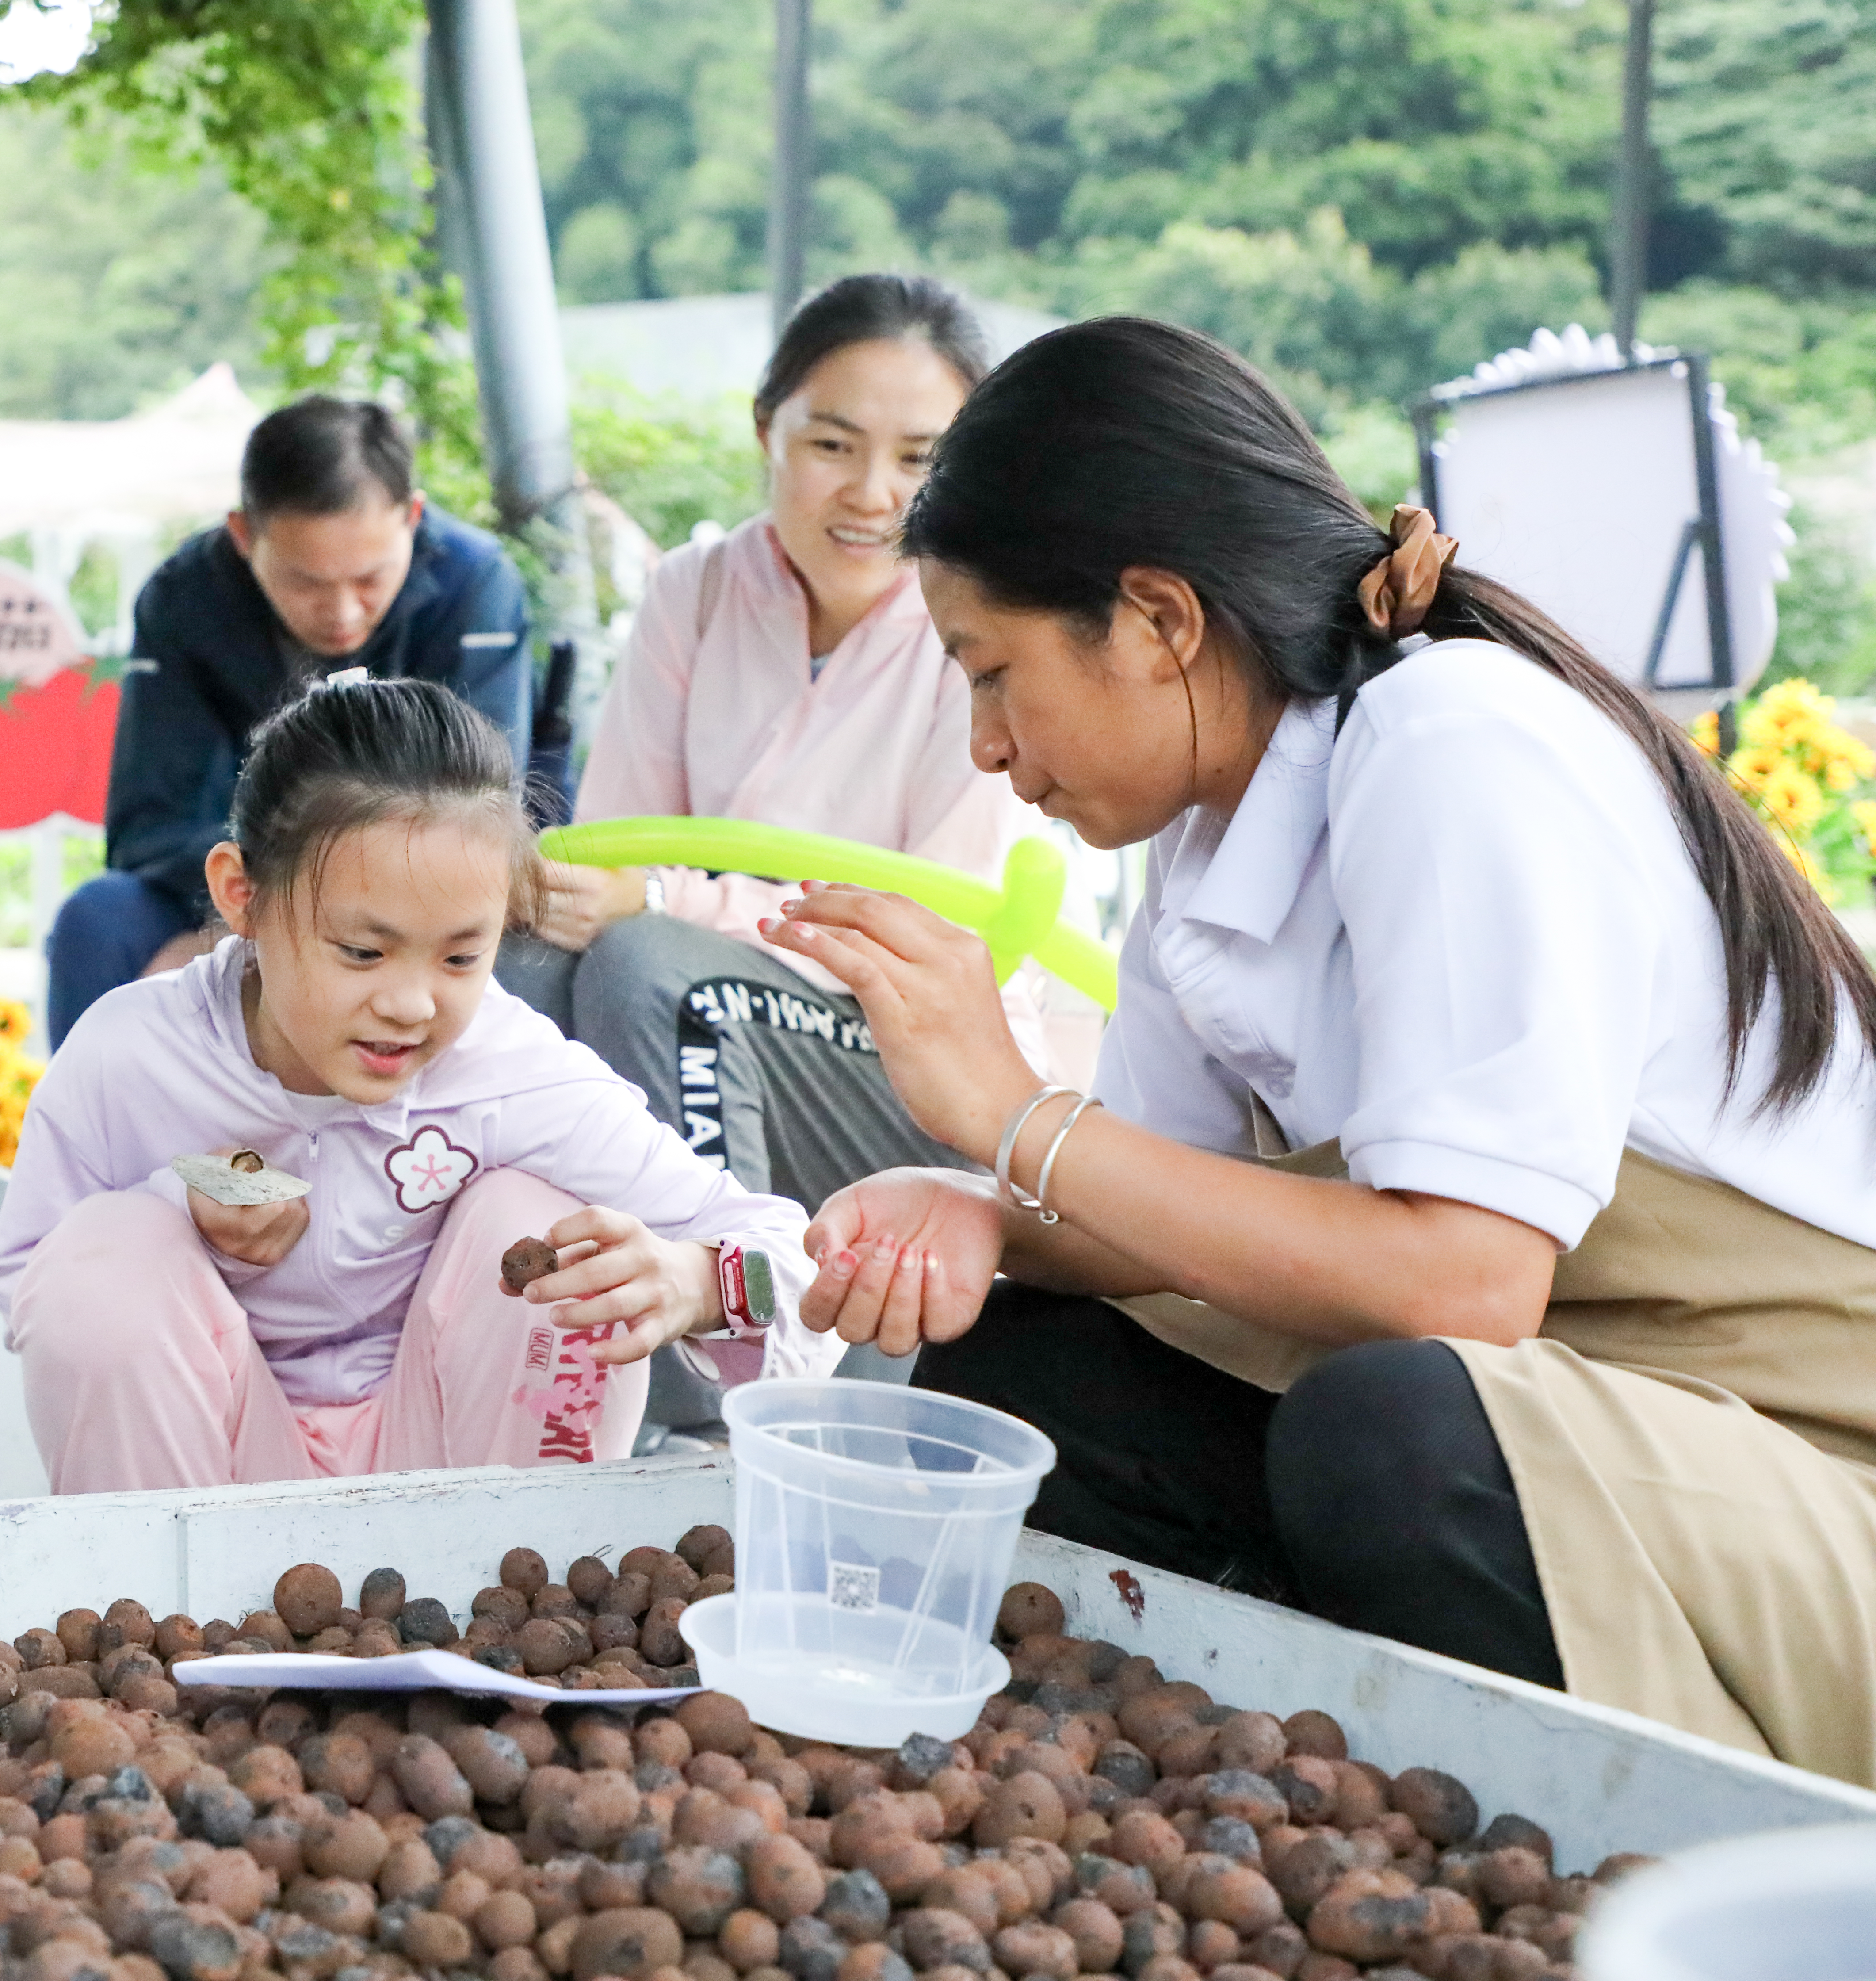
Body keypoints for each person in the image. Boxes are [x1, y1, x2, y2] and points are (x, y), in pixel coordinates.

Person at [772, 315, 1876, 1783]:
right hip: (1586, 1403)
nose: (984, 741)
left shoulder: (1451, 740)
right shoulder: (1210, 834)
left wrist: (1012, 1116)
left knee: (1395, 1432)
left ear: (1158, 620)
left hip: (1803, 1465)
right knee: (1028, 1373)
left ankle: (1615, 1849)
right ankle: (1213, 1817)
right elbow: (1164, 1217)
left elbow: (1467, 1287)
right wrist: (977, 1214)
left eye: (990, 672)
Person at [0, 677, 837, 1493]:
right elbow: (39, 1281)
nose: (409, 1005)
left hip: (465, 1490)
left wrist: (699, 1282)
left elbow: (792, 1265)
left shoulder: (509, 1073)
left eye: (462, 957)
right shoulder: (133, 1054)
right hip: (205, 1490)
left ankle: (527, 1576)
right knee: (107, 1247)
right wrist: (180, 1211)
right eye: (362, 952)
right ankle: (163, 1618)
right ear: (241, 895)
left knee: (543, 1227)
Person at [500, 274, 1047, 1219]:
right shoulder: (695, 591)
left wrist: (674, 901)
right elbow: (618, 848)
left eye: (920, 458)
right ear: (767, 431)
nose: (873, 494)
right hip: (703, 988)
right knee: (521, 969)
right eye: (832, 445)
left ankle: (729, 1334)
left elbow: (919, 936)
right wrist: (618, 896)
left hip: (910, 1058)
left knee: (654, 973)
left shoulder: (989, 629)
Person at [47, 395, 531, 1043]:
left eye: (369, 579)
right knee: (99, 919)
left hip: (424, 903)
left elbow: (493, 810)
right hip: (239, 891)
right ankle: (97, 1136)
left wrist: (319, 925)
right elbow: (152, 826)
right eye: (306, 582)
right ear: (243, 536)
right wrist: (252, 917)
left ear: (412, 519)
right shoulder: (183, 599)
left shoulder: (477, 586)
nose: (343, 613)